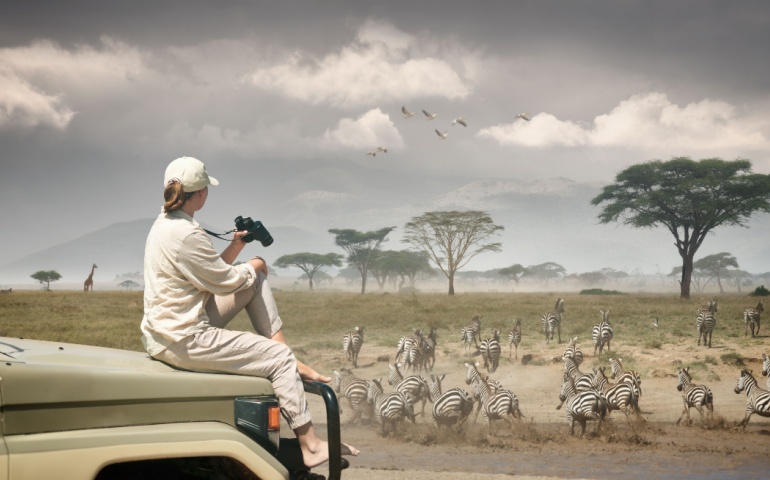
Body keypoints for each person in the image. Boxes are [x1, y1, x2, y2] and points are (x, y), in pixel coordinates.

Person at [140, 156, 358, 468]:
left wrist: (237, 247)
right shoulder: (188, 234)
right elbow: (224, 282)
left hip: (167, 329)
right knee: (273, 340)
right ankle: (309, 442)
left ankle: (283, 354)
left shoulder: (166, 224)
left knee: (253, 283)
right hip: (185, 337)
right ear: (201, 193)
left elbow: (208, 272)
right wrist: (254, 265)